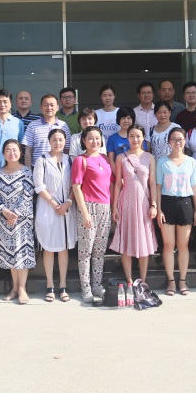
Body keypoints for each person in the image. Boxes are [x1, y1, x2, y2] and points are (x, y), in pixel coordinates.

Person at [71, 126, 114, 306]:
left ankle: (96, 284)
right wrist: (84, 212)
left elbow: (111, 183)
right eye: (90, 138)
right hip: (88, 207)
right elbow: (76, 187)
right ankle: (86, 287)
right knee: (85, 251)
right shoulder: (81, 160)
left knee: (99, 251)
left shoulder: (105, 159)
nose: (94, 141)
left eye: (97, 138)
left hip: (104, 207)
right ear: (84, 141)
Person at [112, 123, 158, 287]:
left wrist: (154, 204)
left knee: (144, 239)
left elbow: (152, 183)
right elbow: (118, 183)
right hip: (127, 201)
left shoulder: (149, 157)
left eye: (138, 136)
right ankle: (130, 280)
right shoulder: (121, 157)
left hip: (144, 202)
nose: (135, 139)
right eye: (131, 136)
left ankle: (143, 281)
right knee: (126, 239)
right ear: (127, 137)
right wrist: (115, 206)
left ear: (143, 137)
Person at [156, 128, 196, 296]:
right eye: (174, 139)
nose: (177, 142)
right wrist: (159, 209)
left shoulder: (191, 162)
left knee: (183, 245)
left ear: (185, 141)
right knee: (168, 245)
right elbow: (158, 187)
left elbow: (195, 186)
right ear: (169, 142)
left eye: (180, 139)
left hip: (185, 203)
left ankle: (182, 280)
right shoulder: (162, 161)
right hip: (167, 202)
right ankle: (170, 281)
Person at [34, 129, 77, 302]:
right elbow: (39, 185)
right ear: (49, 141)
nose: (58, 143)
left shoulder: (70, 160)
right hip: (48, 208)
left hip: (67, 208)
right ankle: (50, 285)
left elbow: (75, 184)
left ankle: (63, 286)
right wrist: (54, 204)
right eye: (54, 140)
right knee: (49, 247)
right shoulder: (42, 160)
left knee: (63, 247)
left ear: (65, 141)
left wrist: (67, 202)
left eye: (60, 140)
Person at [0, 139, 36, 304]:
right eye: (8, 150)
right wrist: (4, 211)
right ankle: (14, 288)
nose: (12, 153)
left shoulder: (26, 171)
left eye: (15, 150)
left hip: (22, 220)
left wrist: (15, 214)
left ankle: (22, 288)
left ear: (20, 152)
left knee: (22, 253)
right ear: (3, 153)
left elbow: (28, 194)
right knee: (10, 253)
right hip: (5, 220)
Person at [21, 94, 70, 166]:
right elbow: (28, 150)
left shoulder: (63, 126)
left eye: (52, 105)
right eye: (46, 105)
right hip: (37, 167)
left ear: (57, 107)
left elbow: (67, 149)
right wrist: (28, 170)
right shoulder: (32, 125)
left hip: (59, 167)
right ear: (41, 107)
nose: (49, 108)